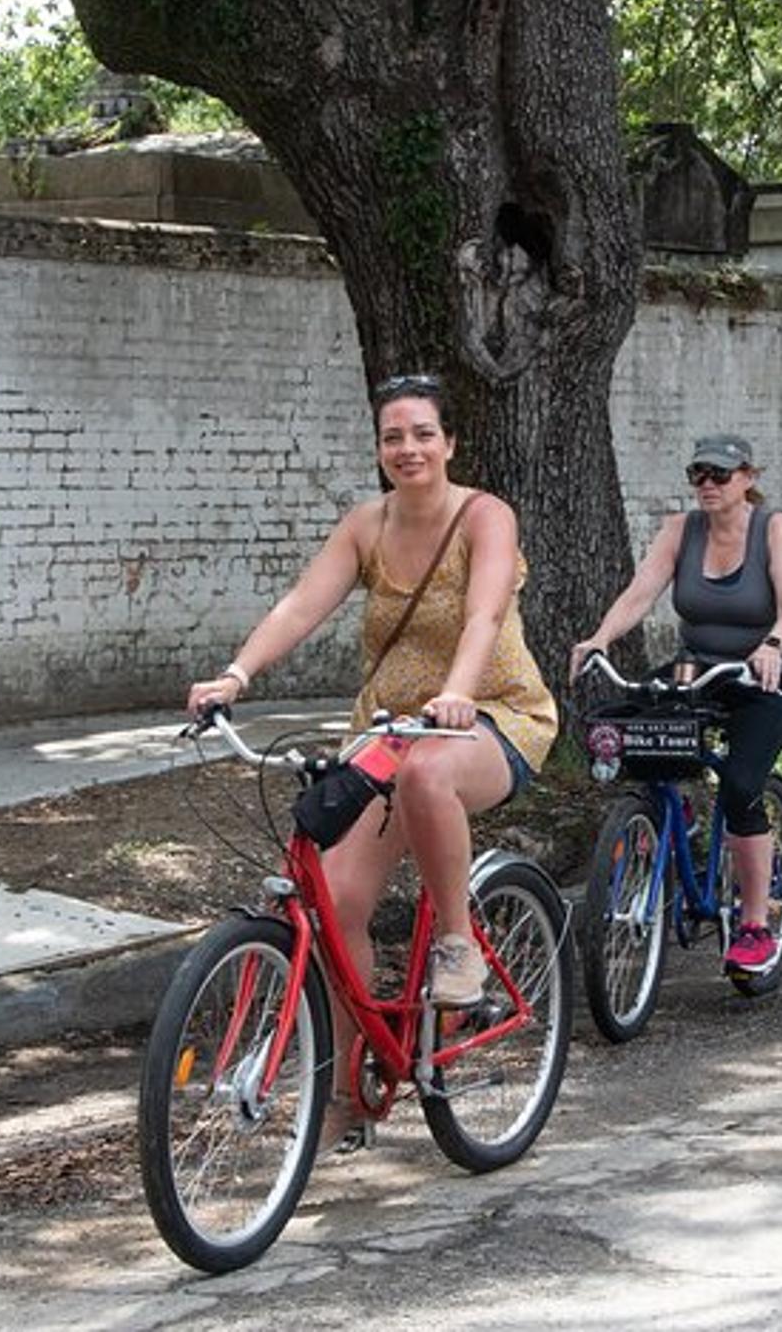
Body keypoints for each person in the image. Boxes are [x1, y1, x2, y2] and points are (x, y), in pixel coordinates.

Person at [185, 373, 557, 1137]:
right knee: (333, 904)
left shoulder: (486, 516)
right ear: (380, 448)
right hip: (386, 731)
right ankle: (353, 1084)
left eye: (424, 432)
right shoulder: (366, 525)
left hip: (492, 715)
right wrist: (236, 674)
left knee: (429, 771)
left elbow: (485, 612)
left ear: (450, 442)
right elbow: (299, 604)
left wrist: (455, 692)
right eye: (394, 435)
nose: (409, 447)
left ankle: (458, 949)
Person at [569, 433, 782, 975]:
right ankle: (668, 813)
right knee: (638, 726)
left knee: (743, 785)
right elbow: (640, 592)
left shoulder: (773, 528)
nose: (707, 485)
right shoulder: (682, 530)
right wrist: (600, 639)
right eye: (698, 474)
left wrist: (772, 645)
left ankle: (753, 924)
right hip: (701, 669)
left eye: (720, 475)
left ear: (747, 478)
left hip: (771, 673)